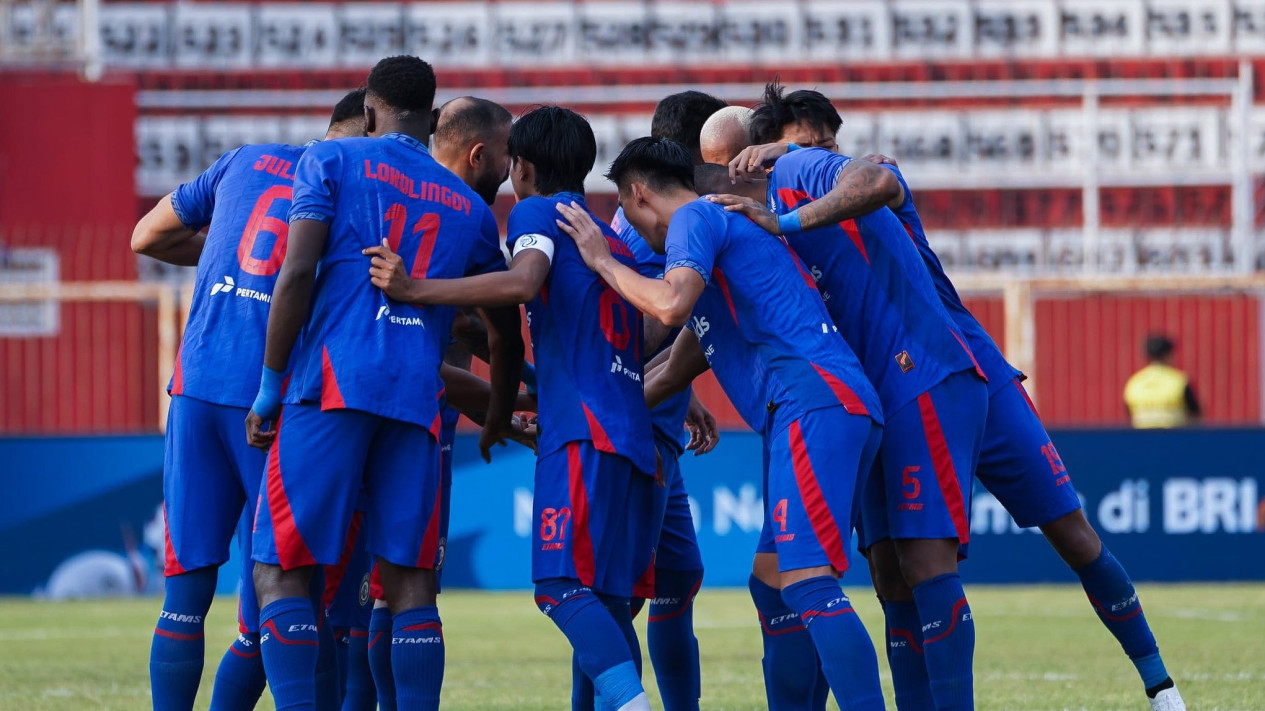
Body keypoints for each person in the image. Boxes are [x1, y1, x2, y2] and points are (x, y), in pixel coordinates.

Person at [720, 83, 1187, 711]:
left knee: (1060, 536)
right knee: (892, 570)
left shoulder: (836, 176)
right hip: (898, 390)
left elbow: (875, 180)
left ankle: (1161, 685)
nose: (825, 152)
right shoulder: (766, 225)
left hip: (950, 370)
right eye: (810, 143)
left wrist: (790, 168)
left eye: (828, 142)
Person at [557, 136, 888, 711]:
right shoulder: (724, 257)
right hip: (828, 408)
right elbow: (666, 370)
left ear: (638, 195)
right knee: (773, 583)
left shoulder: (693, 219)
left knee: (808, 582)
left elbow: (668, 305)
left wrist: (602, 261)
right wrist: (572, 414)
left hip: (813, 404)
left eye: (627, 212)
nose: (634, 231)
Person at [246, 56, 525, 711]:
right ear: (431, 119)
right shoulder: (468, 206)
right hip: (415, 402)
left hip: (330, 387)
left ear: (369, 111)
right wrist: (497, 417)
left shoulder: (330, 160)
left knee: (281, 570)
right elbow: (504, 331)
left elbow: (297, 272)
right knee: (409, 586)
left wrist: (269, 386)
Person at [364, 106, 657, 711]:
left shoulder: (535, 212)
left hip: (581, 432)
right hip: (630, 432)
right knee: (606, 601)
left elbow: (523, 280)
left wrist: (415, 289)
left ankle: (632, 704)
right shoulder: (606, 239)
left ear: (522, 167)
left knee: (558, 586)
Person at [699, 135, 989, 710]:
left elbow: (878, 179)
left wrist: (786, 200)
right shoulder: (750, 225)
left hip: (911, 380)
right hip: (852, 401)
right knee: (865, 572)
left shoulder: (797, 178)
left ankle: (1158, 681)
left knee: (905, 566)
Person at [130, 86, 367, 711]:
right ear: (367, 128)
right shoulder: (353, 184)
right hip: (271, 402)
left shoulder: (242, 159)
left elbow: (145, 237)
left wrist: (221, 258)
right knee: (289, 588)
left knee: (185, 595)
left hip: (195, 387)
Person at [1124, 335, 1201, 429]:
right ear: (1168, 355)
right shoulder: (1179, 381)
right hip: (1174, 436)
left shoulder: (1134, 383)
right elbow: (1196, 417)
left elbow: (1129, 416)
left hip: (1142, 436)